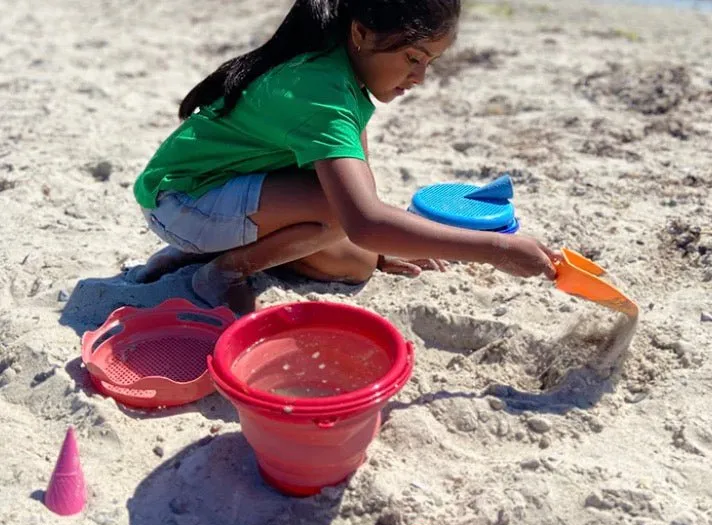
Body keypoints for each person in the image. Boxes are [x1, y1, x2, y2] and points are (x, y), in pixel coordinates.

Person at [133, 0, 559, 313]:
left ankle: (204, 251)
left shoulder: (339, 64)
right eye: (413, 58)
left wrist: (381, 246)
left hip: (221, 190)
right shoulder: (321, 90)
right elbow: (364, 217)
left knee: (357, 264)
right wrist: (495, 248)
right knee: (342, 217)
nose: (420, 78)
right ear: (361, 33)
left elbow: (365, 201)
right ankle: (223, 270)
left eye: (430, 62)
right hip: (181, 200)